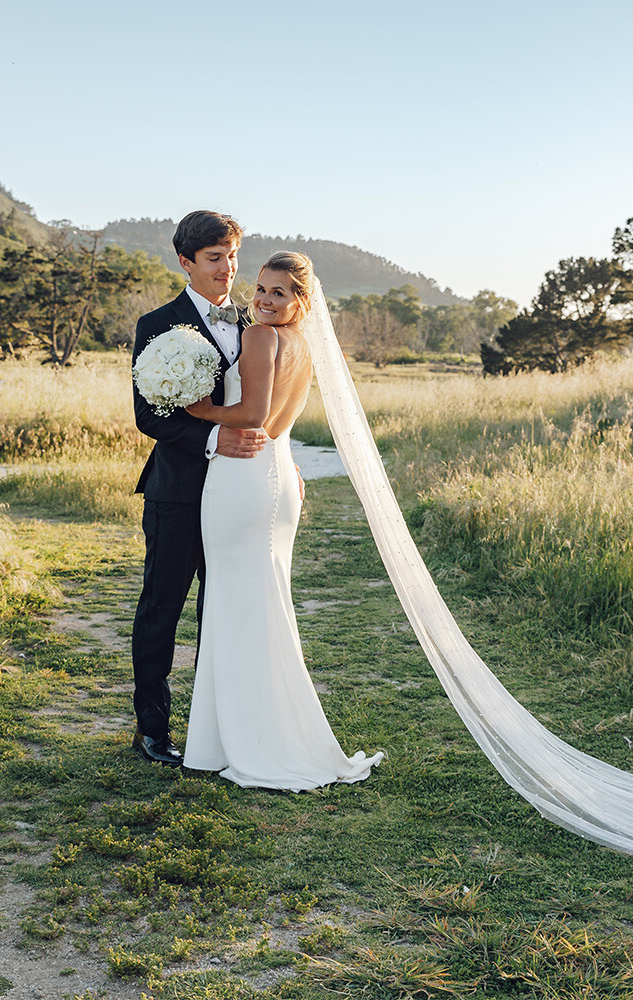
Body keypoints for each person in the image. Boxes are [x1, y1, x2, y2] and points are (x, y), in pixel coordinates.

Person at [181, 252, 384, 790]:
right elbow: (280, 421)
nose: (265, 300)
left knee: (234, 604)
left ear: (301, 300)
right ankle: (254, 735)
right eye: (262, 289)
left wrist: (198, 410)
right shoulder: (301, 343)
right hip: (276, 478)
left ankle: (239, 742)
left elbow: (252, 417)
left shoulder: (261, 338)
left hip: (242, 474)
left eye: (279, 293)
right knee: (262, 607)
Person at [130, 210, 267, 767]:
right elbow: (149, 416)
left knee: (224, 608)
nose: (227, 269)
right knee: (163, 607)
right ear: (186, 262)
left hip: (238, 493)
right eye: (215, 259)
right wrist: (215, 439)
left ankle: (218, 729)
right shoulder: (157, 325)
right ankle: (152, 729)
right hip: (178, 490)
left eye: (232, 256)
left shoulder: (255, 323)